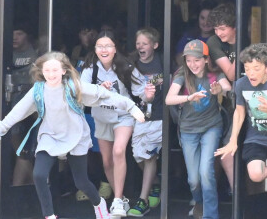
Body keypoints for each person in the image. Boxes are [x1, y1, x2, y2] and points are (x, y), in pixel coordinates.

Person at [0, 51, 145, 219]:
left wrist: (131, 107)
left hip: (75, 136)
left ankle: (99, 203)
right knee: (39, 175)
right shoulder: (38, 90)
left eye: (55, 70)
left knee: (81, 182)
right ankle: (50, 216)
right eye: (47, 71)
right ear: (41, 72)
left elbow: (104, 94)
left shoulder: (73, 85)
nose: (51, 74)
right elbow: (17, 112)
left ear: (63, 71)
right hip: (50, 136)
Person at [215, 43, 267, 219]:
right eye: (247, 68)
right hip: (256, 139)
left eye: (256, 69)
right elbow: (239, 112)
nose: (250, 73)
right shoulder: (241, 84)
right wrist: (233, 140)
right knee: (256, 175)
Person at [80, 31, 147, 217]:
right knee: (107, 161)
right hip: (101, 117)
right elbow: (81, 92)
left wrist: (148, 95)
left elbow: (141, 90)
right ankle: (123, 199)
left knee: (119, 150)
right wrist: (97, 90)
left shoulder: (125, 67)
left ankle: (117, 199)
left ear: (115, 49)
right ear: (95, 49)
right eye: (100, 46)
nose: (104, 49)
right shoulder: (90, 69)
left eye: (108, 46)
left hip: (123, 116)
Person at [166, 39, 231, 219]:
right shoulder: (182, 74)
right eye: (189, 60)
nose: (192, 64)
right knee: (193, 180)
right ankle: (199, 203)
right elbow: (169, 99)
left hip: (211, 127)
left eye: (196, 60)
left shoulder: (214, 74)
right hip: (188, 129)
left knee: (206, 172)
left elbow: (228, 89)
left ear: (206, 59)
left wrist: (220, 91)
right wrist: (188, 98)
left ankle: (210, 215)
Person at [127, 27, 164, 217]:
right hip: (141, 117)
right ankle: (155, 183)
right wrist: (147, 96)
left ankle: (142, 200)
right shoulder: (133, 66)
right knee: (137, 155)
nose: (140, 46)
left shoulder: (163, 62)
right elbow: (137, 93)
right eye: (138, 43)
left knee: (150, 157)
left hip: (159, 118)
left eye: (145, 43)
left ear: (155, 45)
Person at [206, 2, 236, 194]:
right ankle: (235, 193)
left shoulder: (252, 35)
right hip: (228, 102)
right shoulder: (214, 42)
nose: (219, 32)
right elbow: (232, 74)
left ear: (234, 26)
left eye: (223, 28)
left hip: (253, 100)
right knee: (225, 151)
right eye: (216, 28)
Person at [10, 22, 39, 186]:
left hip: (34, 103)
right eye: (12, 33)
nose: (14, 37)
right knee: (19, 150)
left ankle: (21, 185)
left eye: (19, 33)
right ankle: (29, 184)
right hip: (12, 100)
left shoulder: (37, 53)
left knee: (29, 149)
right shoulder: (6, 53)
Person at [174, 0, 216, 67]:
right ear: (198, 18)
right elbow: (179, 59)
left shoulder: (219, 39)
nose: (205, 22)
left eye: (210, 19)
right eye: (202, 18)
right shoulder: (189, 36)